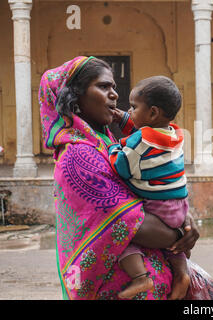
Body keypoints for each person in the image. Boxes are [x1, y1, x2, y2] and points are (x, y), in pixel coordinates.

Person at [39, 56, 199, 300]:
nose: (114, 94)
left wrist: (182, 220)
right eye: (104, 87)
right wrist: (180, 234)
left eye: (113, 87)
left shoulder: (104, 143)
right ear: (76, 98)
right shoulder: (78, 155)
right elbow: (131, 223)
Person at [107, 76, 190, 299]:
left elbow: (122, 166)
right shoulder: (172, 132)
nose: (129, 111)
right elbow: (141, 128)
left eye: (133, 107)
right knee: (173, 245)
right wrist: (123, 118)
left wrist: (112, 148)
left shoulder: (141, 141)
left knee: (121, 235)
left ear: (153, 113)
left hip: (158, 206)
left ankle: (140, 278)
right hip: (179, 206)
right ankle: (182, 274)